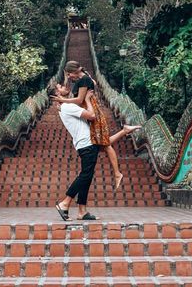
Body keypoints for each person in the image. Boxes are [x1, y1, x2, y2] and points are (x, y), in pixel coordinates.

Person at [48, 83, 142, 221]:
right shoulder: (68, 106)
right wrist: (86, 100)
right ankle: (65, 203)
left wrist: (123, 132)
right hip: (86, 143)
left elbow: (106, 143)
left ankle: (82, 211)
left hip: (87, 142)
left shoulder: (65, 107)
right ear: (57, 94)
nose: (64, 86)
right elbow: (92, 116)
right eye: (60, 86)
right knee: (85, 175)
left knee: (88, 174)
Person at [51, 60, 141, 190]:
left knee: (105, 144)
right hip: (90, 112)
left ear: (75, 71)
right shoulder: (83, 80)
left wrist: (62, 100)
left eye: (69, 74)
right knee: (101, 144)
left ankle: (117, 173)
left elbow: (79, 100)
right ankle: (124, 132)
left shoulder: (83, 80)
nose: (69, 77)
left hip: (93, 114)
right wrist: (67, 78)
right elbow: (87, 85)